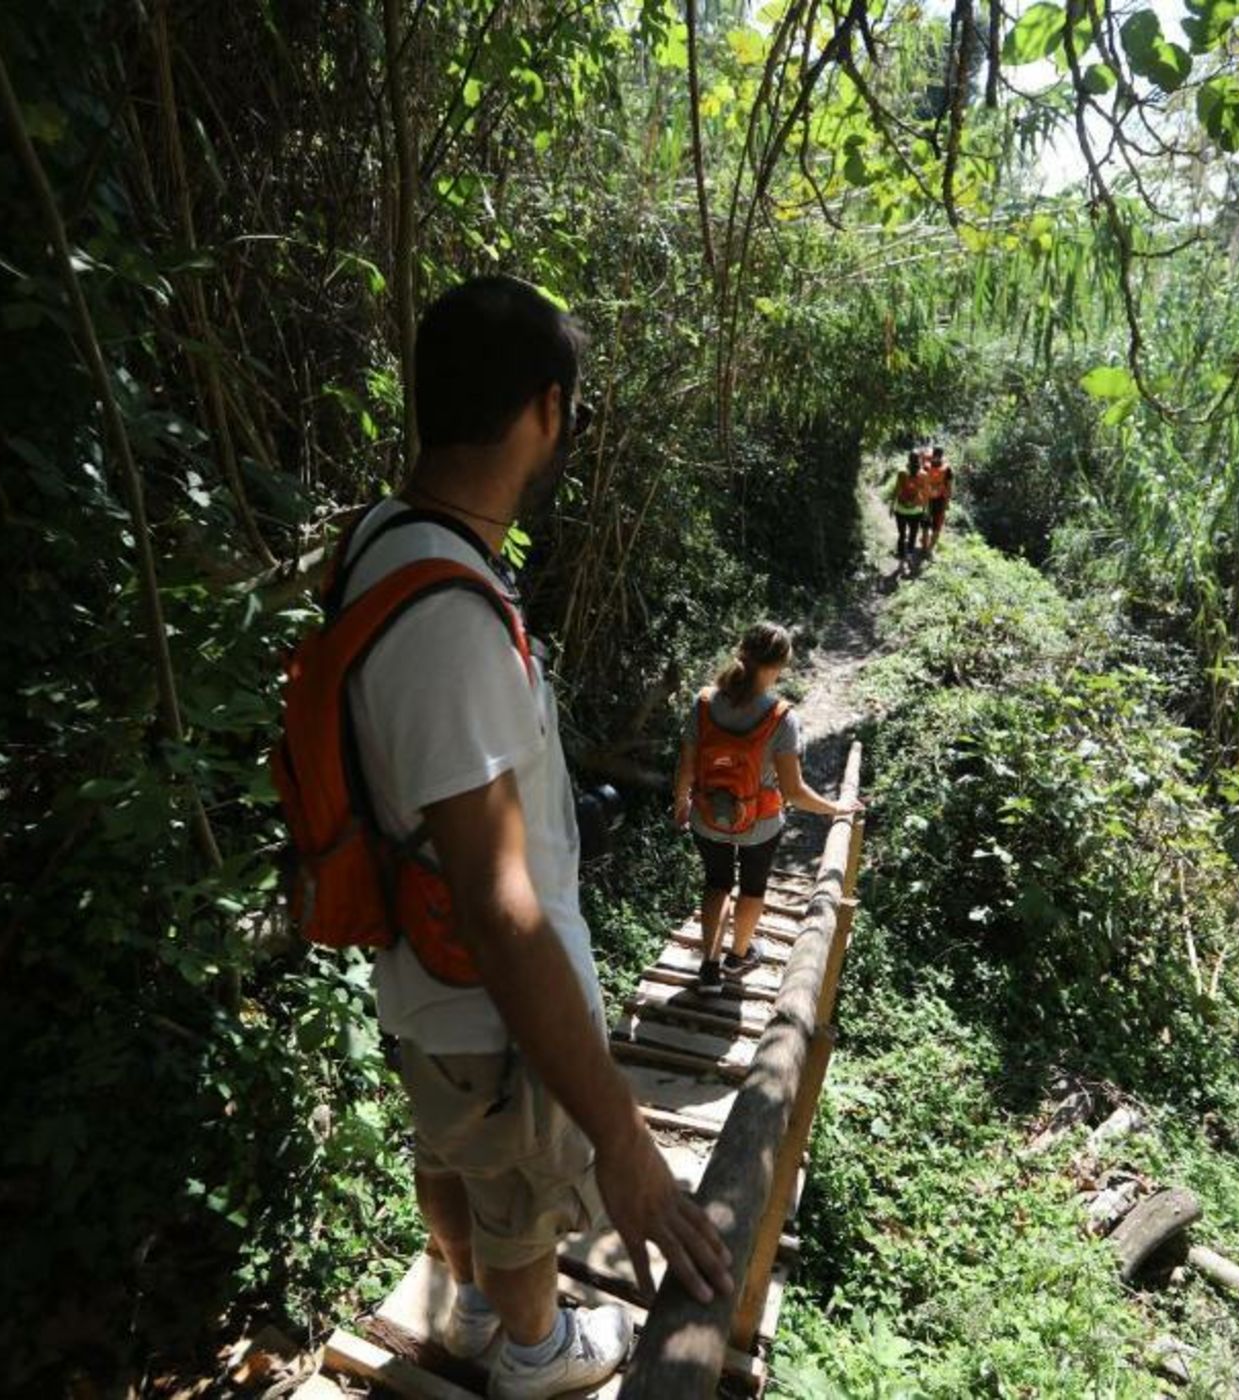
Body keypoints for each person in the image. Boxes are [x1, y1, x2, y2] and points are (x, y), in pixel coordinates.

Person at [339, 276, 730, 1397]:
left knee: (448, 1150)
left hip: (418, 977)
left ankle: (463, 1310)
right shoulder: (450, 617)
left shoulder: (385, 540)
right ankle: (529, 1349)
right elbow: (503, 915)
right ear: (544, 411)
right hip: (486, 997)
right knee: (517, 1176)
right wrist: (619, 1133)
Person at [671, 623, 861, 995]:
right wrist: (834, 807)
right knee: (752, 887)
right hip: (759, 822)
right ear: (779, 665)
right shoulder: (781, 717)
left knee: (717, 882)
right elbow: (794, 790)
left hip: (707, 815)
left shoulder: (706, 702)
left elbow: (687, 765)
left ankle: (709, 971)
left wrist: (682, 802)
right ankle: (737, 956)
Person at [888, 450, 929, 555]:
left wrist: (892, 506)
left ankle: (901, 553)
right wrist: (925, 510)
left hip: (901, 509)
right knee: (913, 534)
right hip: (916, 511)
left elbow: (896, 490)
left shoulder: (902, 472)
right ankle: (910, 553)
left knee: (902, 534)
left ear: (908, 459)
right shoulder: (924, 475)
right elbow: (925, 494)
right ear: (919, 460)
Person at [923, 447, 953, 552]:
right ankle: (929, 549)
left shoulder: (926, 466)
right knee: (937, 525)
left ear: (933, 455)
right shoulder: (947, 469)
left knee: (925, 524)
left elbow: (921, 483)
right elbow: (949, 486)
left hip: (927, 499)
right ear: (941, 456)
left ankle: (924, 546)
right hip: (940, 500)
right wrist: (948, 502)